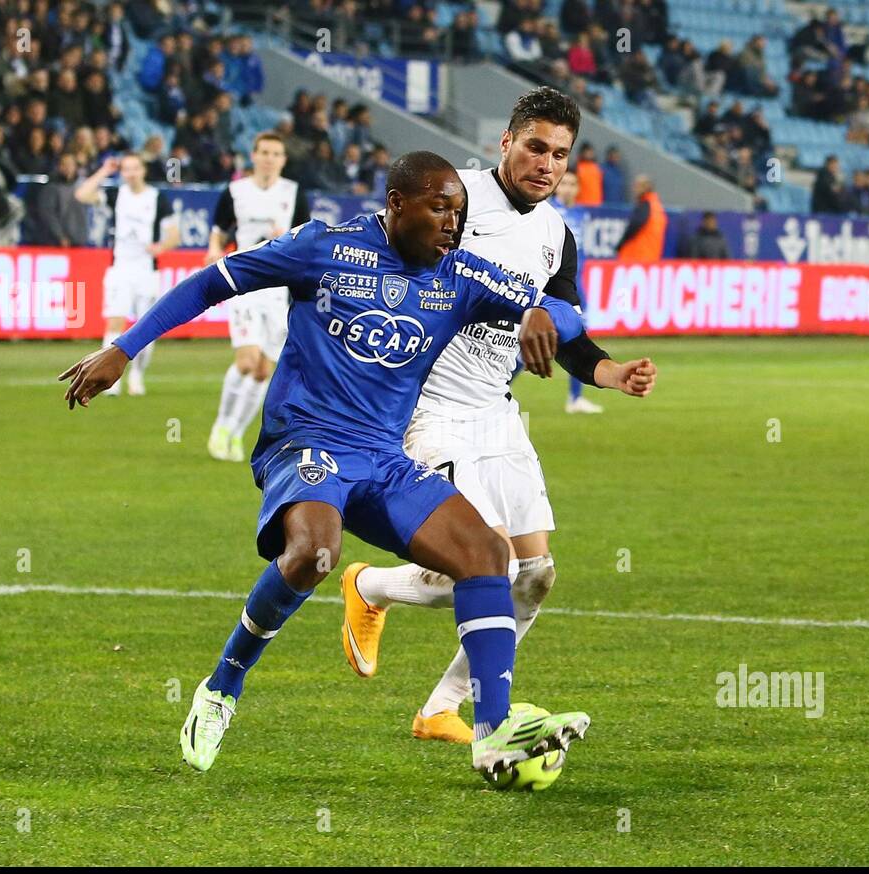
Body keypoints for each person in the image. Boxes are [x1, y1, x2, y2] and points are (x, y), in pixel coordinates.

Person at [58, 151, 652, 777]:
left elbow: (561, 312)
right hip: (306, 441)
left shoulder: (460, 276)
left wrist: (538, 312)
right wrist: (123, 348)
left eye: (459, 211)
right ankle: (222, 687)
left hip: (383, 458)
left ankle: (492, 732)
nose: (453, 224)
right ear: (396, 205)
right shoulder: (324, 249)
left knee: (486, 554)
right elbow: (213, 281)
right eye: (439, 209)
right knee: (316, 551)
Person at [340, 91, 658, 744]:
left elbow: (565, 329)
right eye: (535, 146)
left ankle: (438, 704)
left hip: (497, 413)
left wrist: (610, 372)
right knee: (491, 564)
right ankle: (488, 719)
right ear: (505, 142)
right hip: (428, 409)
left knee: (536, 575)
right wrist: (522, 307)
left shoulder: (556, 235)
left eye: (561, 154)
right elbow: (403, 264)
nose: (547, 163)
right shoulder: (453, 197)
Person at [205, 132, 310, 462]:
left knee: (263, 370)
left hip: (278, 292)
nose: (269, 158)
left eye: (275, 153)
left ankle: (235, 433)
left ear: (282, 159)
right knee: (246, 361)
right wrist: (213, 251)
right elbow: (220, 229)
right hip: (244, 285)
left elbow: (307, 240)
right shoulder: (236, 191)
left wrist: (289, 239)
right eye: (263, 152)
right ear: (254, 155)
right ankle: (221, 426)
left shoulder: (293, 194)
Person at [74, 152, 180, 397]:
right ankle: (108, 380)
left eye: (135, 168)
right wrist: (103, 172)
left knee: (148, 327)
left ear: (143, 170)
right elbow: (82, 195)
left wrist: (161, 247)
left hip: (146, 271)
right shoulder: (116, 195)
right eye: (126, 169)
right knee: (114, 322)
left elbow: (175, 235)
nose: (130, 173)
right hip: (120, 268)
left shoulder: (157, 198)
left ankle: (137, 375)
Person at [551, 167, 603, 415]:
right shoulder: (547, 211)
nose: (569, 189)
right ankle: (498, 388)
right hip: (553, 284)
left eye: (573, 184)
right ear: (557, 186)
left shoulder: (582, 214)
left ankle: (575, 397)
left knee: (579, 335)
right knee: (521, 348)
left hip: (577, 283)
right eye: (565, 184)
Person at [616, 174, 667, 262]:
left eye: (637, 186)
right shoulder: (657, 206)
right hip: (652, 255)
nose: (634, 189)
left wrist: (620, 244)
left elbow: (636, 224)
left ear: (645, 187)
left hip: (638, 255)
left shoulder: (645, 205)